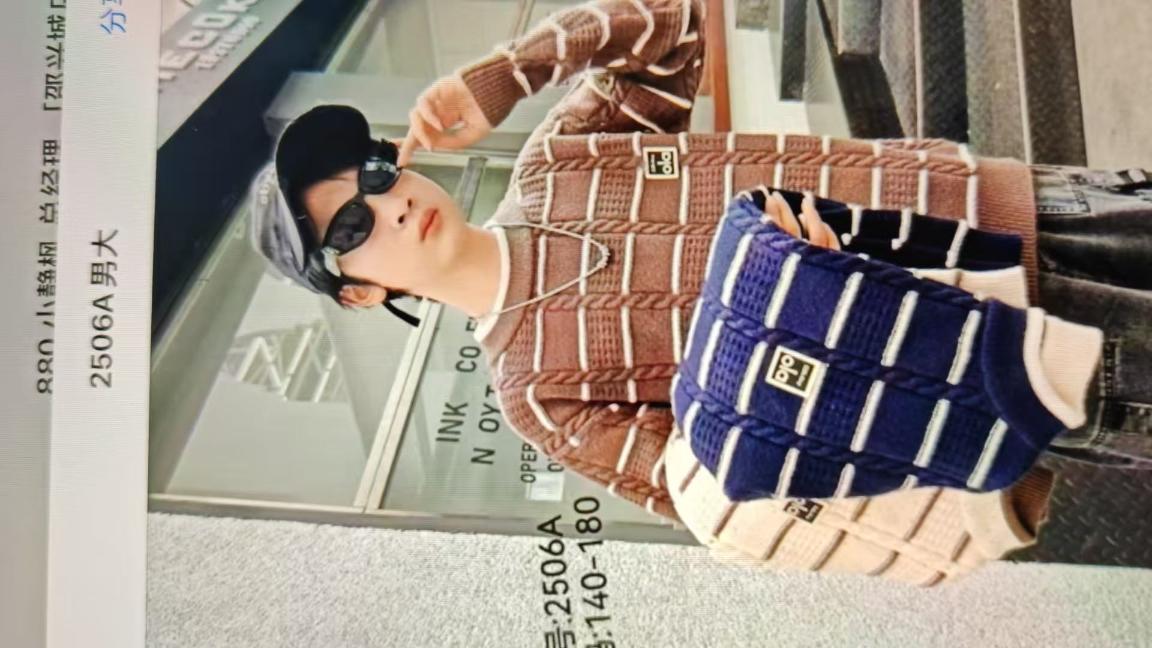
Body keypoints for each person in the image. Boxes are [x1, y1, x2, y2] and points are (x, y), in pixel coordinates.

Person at [248, 0, 1151, 581]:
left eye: (374, 175)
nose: (388, 207)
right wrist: (789, 307)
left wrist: (508, 75)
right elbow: (714, 487)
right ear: (358, 293)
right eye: (351, 230)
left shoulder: (558, 159)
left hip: (1003, 200)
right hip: (989, 360)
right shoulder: (536, 394)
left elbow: (675, 28)